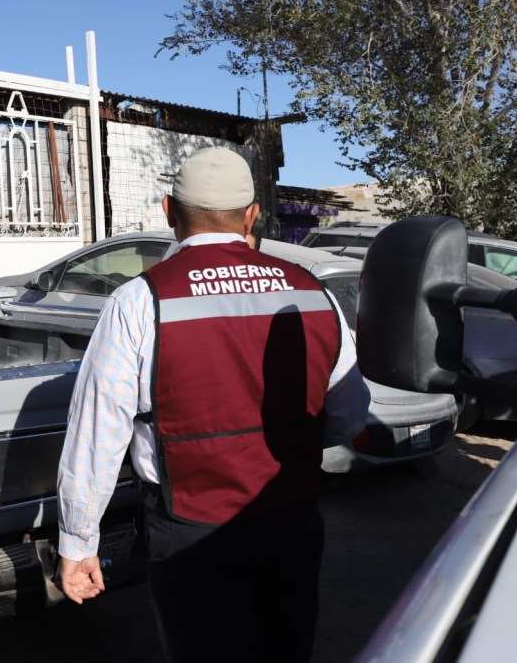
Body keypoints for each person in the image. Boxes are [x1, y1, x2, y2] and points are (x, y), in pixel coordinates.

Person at [56, 147, 370, 662]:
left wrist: (78, 541)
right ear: (252, 216)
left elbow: (97, 434)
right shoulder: (314, 294)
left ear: (168, 212)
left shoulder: (140, 301)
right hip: (290, 522)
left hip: (189, 531)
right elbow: (349, 414)